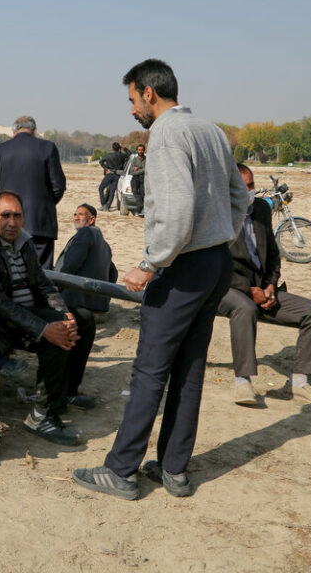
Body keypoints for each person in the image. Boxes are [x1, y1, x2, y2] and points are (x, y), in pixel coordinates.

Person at [73, 59, 248, 500]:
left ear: (149, 93)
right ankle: (174, 469)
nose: (132, 110)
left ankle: (121, 470)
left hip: (183, 267)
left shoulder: (167, 133)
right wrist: (219, 237)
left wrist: (150, 263)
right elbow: (240, 196)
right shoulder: (210, 130)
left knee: (150, 368)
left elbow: (177, 210)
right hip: (215, 264)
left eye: (133, 100)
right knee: (189, 368)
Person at [0, 191, 91, 446]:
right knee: (56, 332)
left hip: (29, 312)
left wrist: (63, 311)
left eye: (18, 216)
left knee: (82, 319)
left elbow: (44, 285)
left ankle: (66, 393)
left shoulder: (24, 243)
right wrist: (44, 328)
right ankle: (41, 415)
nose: (12, 222)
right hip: (1, 323)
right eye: (5, 216)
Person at [218, 164, 311, 406]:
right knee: (244, 308)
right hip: (225, 288)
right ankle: (243, 382)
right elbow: (215, 264)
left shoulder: (259, 208)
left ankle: (300, 384)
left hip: (262, 288)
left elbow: (272, 254)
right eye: (244, 187)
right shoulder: (216, 214)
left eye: (252, 185)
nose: (250, 191)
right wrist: (249, 291)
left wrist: (270, 286)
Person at [0, 116, 66, 269]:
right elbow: (59, 186)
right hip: (40, 222)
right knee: (42, 276)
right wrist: (45, 203)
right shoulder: (48, 148)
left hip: (7, 223)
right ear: (34, 131)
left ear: (13, 131)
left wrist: (3, 207)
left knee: (9, 273)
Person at [54, 204, 117, 314]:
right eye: (75, 215)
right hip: (98, 308)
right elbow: (113, 273)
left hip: (78, 306)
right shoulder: (104, 245)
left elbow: (70, 265)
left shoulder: (86, 232)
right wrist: (104, 298)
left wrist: (55, 288)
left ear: (92, 219)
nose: (76, 218)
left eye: (81, 214)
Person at [98, 143, 127, 211]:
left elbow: (101, 162)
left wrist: (106, 168)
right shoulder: (122, 155)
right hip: (117, 174)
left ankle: (103, 204)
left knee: (101, 188)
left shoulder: (108, 155)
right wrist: (123, 148)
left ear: (112, 148)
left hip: (109, 174)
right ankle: (107, 206)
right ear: (119, 148)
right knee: (112, 191)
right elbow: (130, 154)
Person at [129, 144, 147, 216]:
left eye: (142, 150)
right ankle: (141, 207)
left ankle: (139, 210)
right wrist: (143, 169)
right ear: (137, 151)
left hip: (144, 179)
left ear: (144, 150)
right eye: (139, 150)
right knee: (136, 193)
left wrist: (138, 169)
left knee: (143, 194)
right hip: (135, 178)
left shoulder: (147, 159)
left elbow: (147, 169)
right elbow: (131, 171)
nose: (140, 151)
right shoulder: (134, 159)